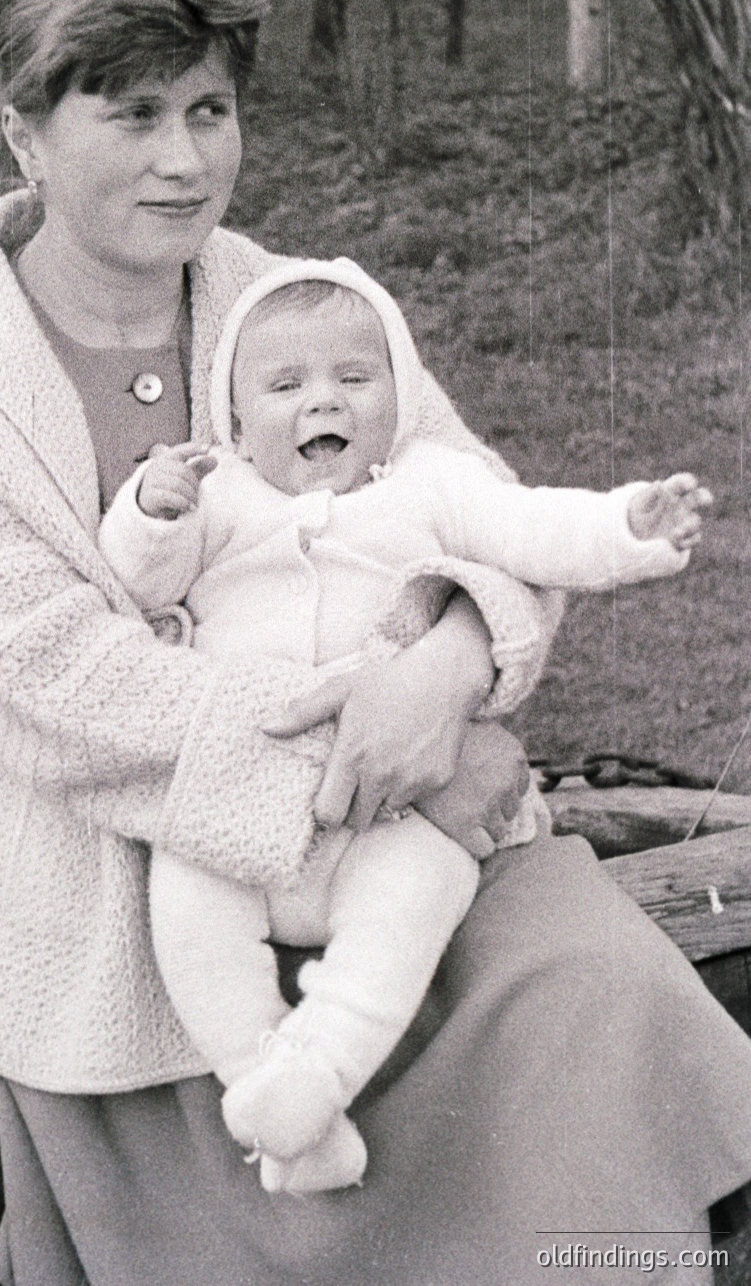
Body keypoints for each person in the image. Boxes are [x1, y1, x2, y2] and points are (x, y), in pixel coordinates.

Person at [0, 0, 751, 1285]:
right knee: (247, 1148)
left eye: (208, 109)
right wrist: (366, 760)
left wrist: (447, 667)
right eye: (135, 113)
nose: (184, 158)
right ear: (23, 132)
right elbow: (47, 675)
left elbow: (472, 502)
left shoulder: (287, 299)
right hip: (119, 842)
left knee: (589, 985)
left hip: (405, 788)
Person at [97, 256, 712, 1197]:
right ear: (232, 416)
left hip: (393, 808)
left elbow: (534, 528)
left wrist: (631, 526)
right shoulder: (218, 497)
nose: (321, 403)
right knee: (184, 902)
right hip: (240, 803)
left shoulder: (434, 482)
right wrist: (149, 512)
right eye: (285, 385)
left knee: (414, 901)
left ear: (401, 391)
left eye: (354, 377)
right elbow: (133, 586)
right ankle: (262, 1083)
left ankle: (322, 1066)